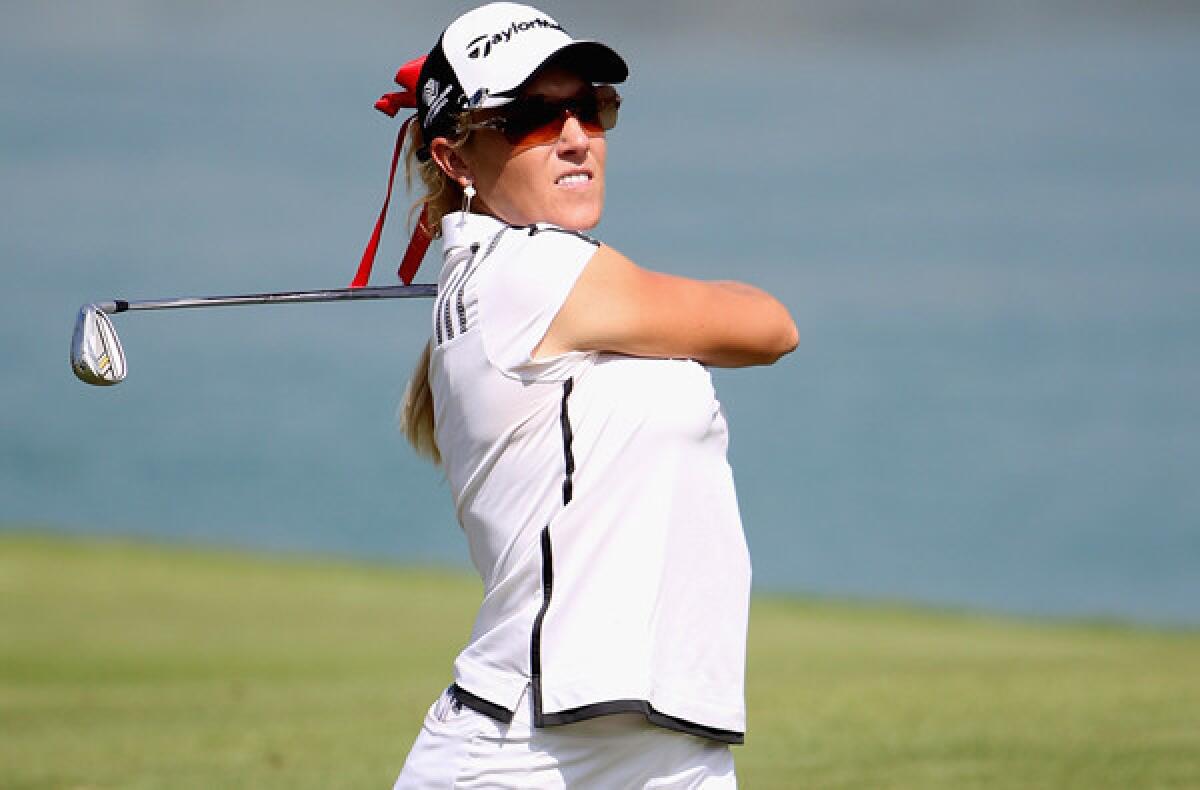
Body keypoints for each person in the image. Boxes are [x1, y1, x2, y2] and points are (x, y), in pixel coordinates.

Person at [361, 3, 797, 787]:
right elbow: (768, 325)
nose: (574, 137)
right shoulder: (529, 272)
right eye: (530, 116)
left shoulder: (517, 276)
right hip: (518, 748)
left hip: (676, 747)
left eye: (589, 107)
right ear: (455, 160)